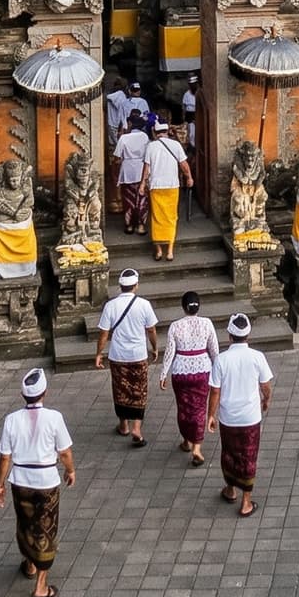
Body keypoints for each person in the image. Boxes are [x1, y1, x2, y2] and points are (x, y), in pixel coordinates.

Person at [0, 368, 75, 597]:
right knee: (46, 529)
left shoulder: (11, 420)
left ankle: (29, 564)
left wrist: (0, 484)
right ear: (45, 392)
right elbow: (64, 452)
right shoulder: (54, 418)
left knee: (26, 524)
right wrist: (70, 470)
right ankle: (40, 586)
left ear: (22, 395)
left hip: (20, 481)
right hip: (46, 481)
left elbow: (5, 457)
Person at [208, 313, 274, 517]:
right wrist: (266, 400)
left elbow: (215, 391)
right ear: (248, 335)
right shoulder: (257, 357)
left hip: (228, 417)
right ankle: (246, 501)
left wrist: (211, 415)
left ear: (229, 336)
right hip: (250, 417)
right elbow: (265, 385)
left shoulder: (221, 360)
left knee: (229, 453)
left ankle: (230, 489)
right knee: (248, 456)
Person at [92, 268, 158, 444]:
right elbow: (151, 329)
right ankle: (137, 427)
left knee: (120, 390)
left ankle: (123, 425)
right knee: (139, 390)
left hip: (118, 355)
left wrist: (99, 353)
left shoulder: (110, 306)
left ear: (120, 286)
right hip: (138, 354)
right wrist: (154, 347)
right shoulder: (144, 305)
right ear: (136, 285)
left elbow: (104, 333)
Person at [161, 291, 220, 465]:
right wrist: (219, 371)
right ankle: (197, 447)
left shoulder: (175, 326)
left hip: (180, 371)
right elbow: (214, 350)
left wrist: (163, 373)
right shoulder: (207, 323)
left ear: (183, 307)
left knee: (184, 408)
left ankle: (187, 440)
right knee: (199, 408)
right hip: (202, 370)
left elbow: (170, 352)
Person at [141, 120, 191, 261]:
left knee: (156, 217)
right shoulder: (176, 145)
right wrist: (189, 177)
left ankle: (158, 251)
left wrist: (142, 184)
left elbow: (147, 169)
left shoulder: (151, 146)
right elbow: (184, 164)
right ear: (167, 131)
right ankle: (169, 251)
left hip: (156, 186)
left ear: (155, 133)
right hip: (172, 185)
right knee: (171, 217)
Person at [114, 114, 152, 235]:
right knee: (142, 199)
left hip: (127, 171)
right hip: (141, 169)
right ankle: (141, 226)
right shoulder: (145, 137)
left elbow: (117, 157)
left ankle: (129, 225)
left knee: (128, 199)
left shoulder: (124, 138)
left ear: (130, 124)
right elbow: (149, 154)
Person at [104, 77, 138, 142]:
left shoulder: (111, 96)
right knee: (119, 143)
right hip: (118, 124)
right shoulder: (120, 95)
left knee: (113, 143)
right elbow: (123, 112)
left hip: (111, 123)